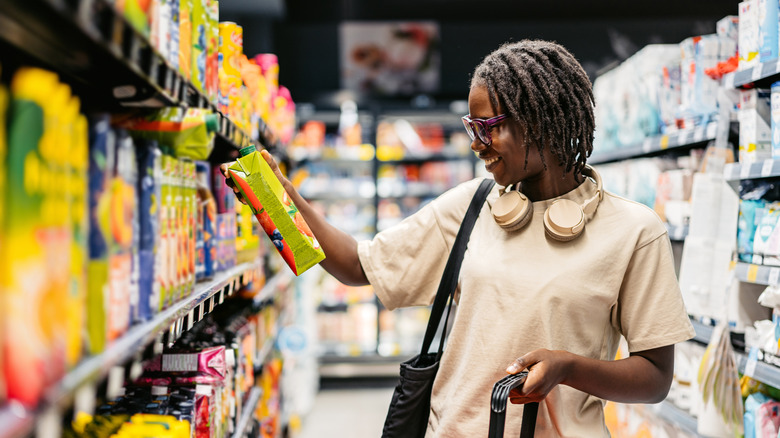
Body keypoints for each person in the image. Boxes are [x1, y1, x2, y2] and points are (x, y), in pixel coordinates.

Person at [222, 39, 695, 437]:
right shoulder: (472, 206)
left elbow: (654, 377)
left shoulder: (634, 231)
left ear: (541, 119)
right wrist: (279, 200)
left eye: (488, 128)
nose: (475, 143)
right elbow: (357, 266)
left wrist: (569, 367)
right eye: (472, 127)